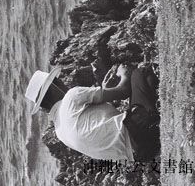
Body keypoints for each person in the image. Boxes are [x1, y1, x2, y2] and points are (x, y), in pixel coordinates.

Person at [25, 64, 160, 161]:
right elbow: (124, 90)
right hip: (142, 130)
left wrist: (105, 90)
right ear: (54, 86)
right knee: (140, 73)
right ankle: (156, 119)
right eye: (58, 80)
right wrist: (123, 73)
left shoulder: (60, 133)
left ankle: (155, 117)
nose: (63, 82)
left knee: (141, 94)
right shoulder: (71, 96)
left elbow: (102, 125)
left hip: (143, 155)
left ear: (43, 107)